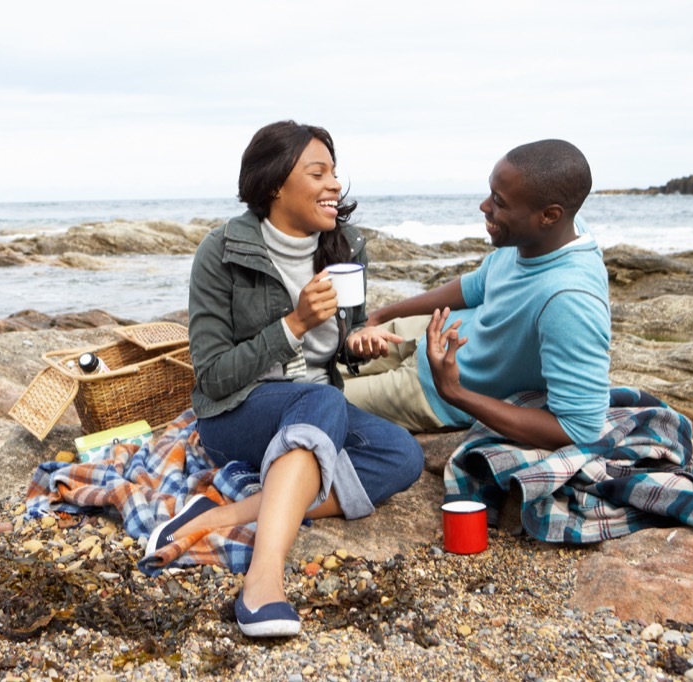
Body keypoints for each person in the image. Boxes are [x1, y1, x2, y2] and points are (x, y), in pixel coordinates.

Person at [144, 120, 424, 638]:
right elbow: (211, 375)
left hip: (314, 407)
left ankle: (215, 516)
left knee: (401, 455)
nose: (334, 184)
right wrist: (293, 325)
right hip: (236, 414)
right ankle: (264, 580)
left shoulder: (346, 246)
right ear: (275, 184)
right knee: (321, 404)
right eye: (317, 172)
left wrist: (357, 344)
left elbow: (343, 340)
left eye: (335, 173)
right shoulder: (222, 251)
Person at [343, 139, 610, 452]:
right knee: (310, 359)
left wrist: (454, 392)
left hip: (429, 392)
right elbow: (475, 286)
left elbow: (579, 428)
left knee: (315, 397)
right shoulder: (556, 232)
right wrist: (383, 315)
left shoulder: (569, 301)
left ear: (550, 216)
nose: (484, 206)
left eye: (499, 201)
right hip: (432, 333)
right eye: (490, 193)